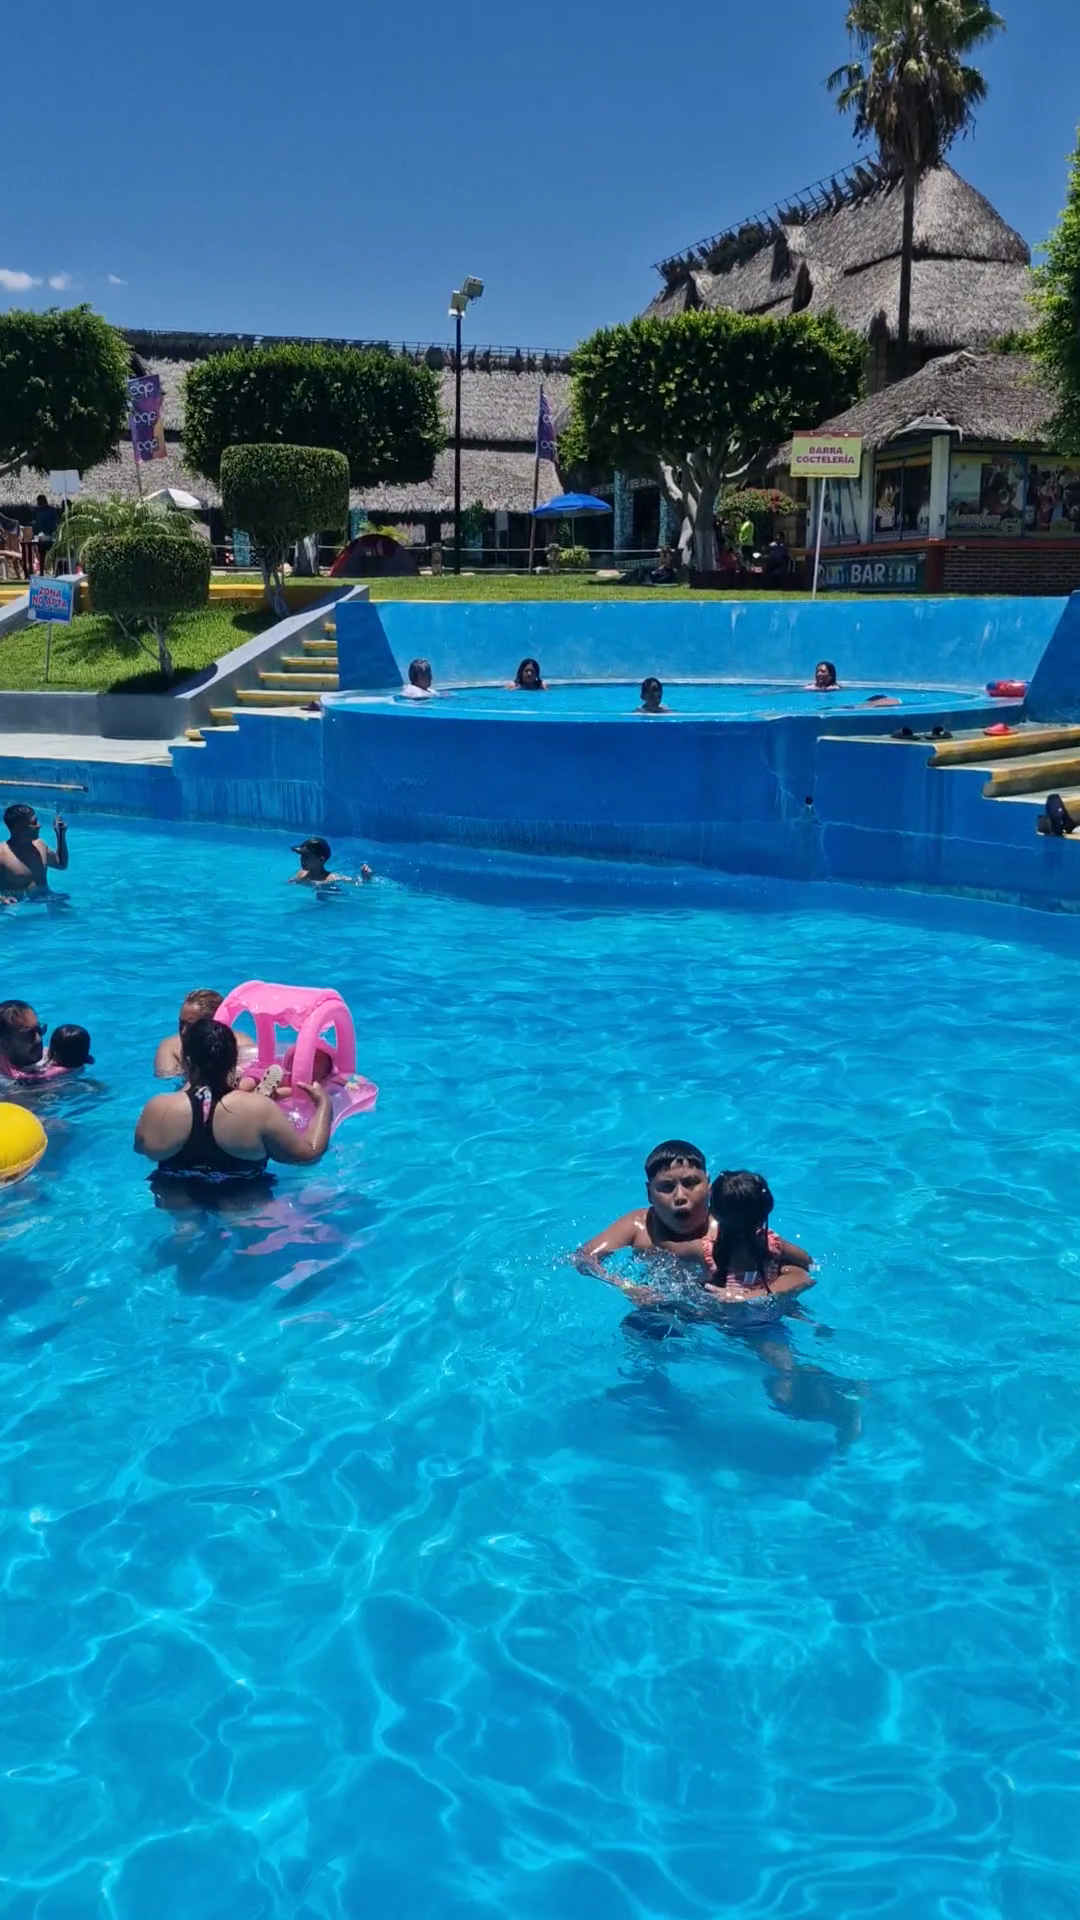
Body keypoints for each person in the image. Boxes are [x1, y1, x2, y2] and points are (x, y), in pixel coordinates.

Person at [134, 1017, 332, 1184]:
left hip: (173, 1195)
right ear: (234, 1061)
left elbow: (140, 1148)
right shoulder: (259, 1109)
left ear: (187, 1061)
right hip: (242, 1197)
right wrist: (324, 1106)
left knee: (179, 1209)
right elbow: (308, 1155)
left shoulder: (157, 1108)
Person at [577, 1140, 712, 1272]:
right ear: (649, 1193)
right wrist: (623, 1284)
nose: (680, 1196)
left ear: (708, 1184)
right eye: (667, 1187)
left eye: (690, 1183)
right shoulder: (640, 1227)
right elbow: (582, 1257)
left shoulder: (722, 1228)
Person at [702, 1170, 814, 1304]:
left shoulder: (708, 1251)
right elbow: (809, 1264)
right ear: (763, 1216)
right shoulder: (772, 1244)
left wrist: (747, 1297)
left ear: (714, 1212)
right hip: (774, 1310)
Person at [154, 988, 225, 1078]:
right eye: (181, 1023)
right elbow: (167, 1083)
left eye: (191, 1026)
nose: (183, 1032)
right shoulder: (170, 1048)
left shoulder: (239, 1046)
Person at [0, 804, 68, 894]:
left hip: (45, 897)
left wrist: (61, 835)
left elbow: (61, 864)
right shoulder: (2, 855)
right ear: (19, 827)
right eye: (34, 822)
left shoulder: (41, 846)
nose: (39, 825)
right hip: (18, 902)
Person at [288, 837, 374, 885]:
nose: (302, 859)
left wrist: (366, 878)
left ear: (321, 860)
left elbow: (357, 884)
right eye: (302, 855)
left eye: (306, 857)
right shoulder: (300, 874)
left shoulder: (332, 879)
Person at [0, 1000, 46, 1074]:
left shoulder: (50, 1055)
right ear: (4, 1045)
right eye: (29, 1034)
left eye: (39, 1030)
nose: (38, 1039)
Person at [32, 495, 58, 576]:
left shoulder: (51, 510)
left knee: (53, 554)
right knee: (42, 555)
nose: (38, 504)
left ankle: (55, 571)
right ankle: (41, 572)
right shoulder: (37, 511)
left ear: (43, 501)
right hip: (41, 537)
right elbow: (35, 523)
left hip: (50, 536)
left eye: (39, 502)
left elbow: (55, 523)